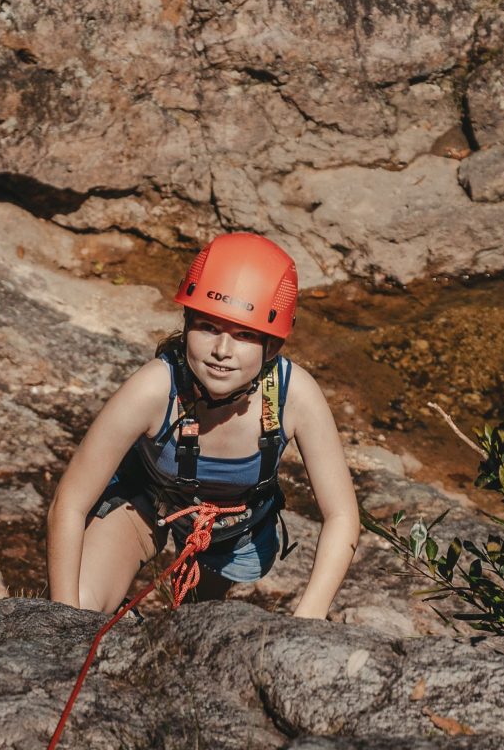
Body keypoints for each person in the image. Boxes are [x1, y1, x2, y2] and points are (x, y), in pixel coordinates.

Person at [46, 233, 358, 618]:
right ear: (187, 322)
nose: (222, 351)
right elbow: (70, 503)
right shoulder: (153, 389)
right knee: (82, 597)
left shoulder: (294, 397)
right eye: (209, 327)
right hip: (144, 503)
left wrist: (307, 617)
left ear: (272, 346)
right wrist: (59, 623)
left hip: (231, 526)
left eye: (244, 335)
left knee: (195, 622)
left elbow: (342, 516)